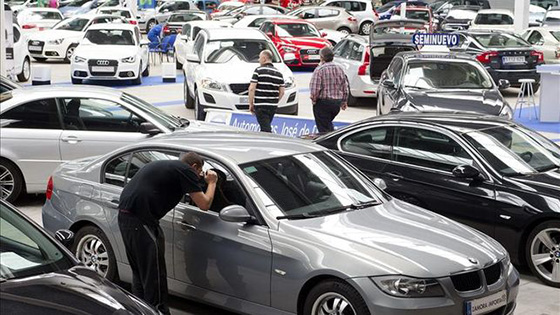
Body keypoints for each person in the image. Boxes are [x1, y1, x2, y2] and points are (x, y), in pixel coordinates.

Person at [118, 152, 217, 315]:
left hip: (126, 218)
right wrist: (212, 182)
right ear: (194, 167)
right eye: (199, 172)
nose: (199, 177)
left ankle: (140, 310)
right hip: (141, 221)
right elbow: (204, 204)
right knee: (154, 275)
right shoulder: (186, 170)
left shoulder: (170, 167)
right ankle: (157, 311)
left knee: (141, 272)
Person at [309, 46, 349, 133]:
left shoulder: (320, 70)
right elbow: (344, 86)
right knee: (327, 124)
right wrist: (344, 101)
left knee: (323, 128)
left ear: (321, 57)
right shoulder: (339, 69)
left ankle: (328, 143)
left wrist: (314, 99)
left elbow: (315, 88)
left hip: (323, 103)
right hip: (336, 103)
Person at [248, 50, 285, 133]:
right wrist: (274, 101)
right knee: (265, 125)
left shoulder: (258, 71)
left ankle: (269, 142)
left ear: (264, 58)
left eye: (260, 58)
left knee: (265, 129)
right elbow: (282, 92)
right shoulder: (279, 73)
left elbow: (251, 88)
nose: (258, 60)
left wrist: (251, 103)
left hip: (261, 105)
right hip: (272, 106)